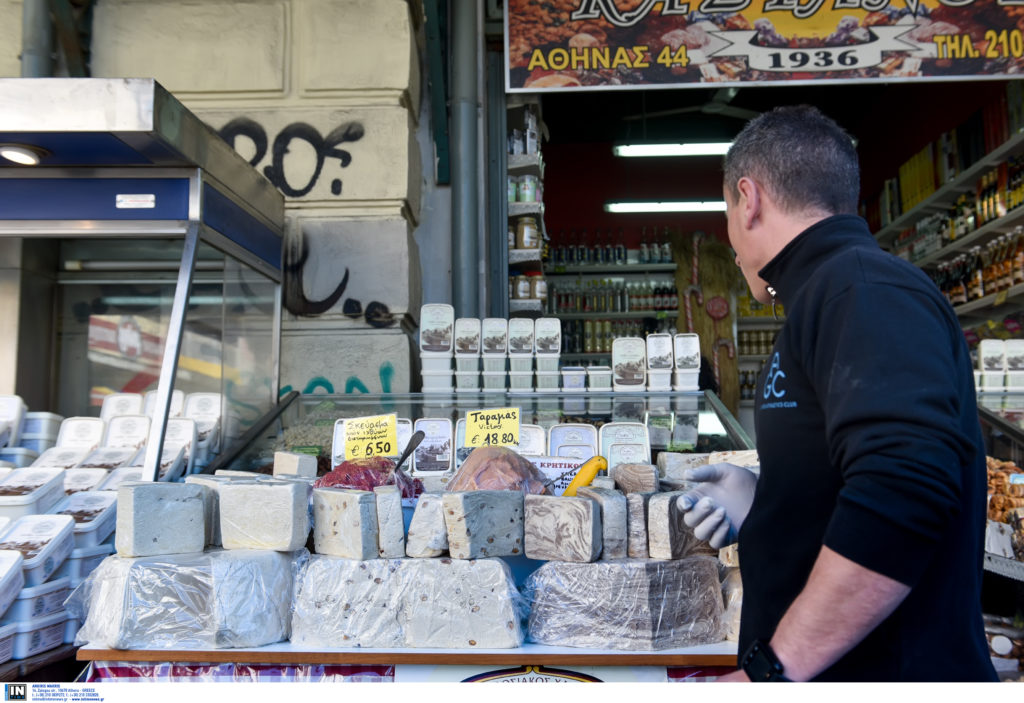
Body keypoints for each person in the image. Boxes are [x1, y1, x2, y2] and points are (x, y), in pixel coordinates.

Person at [678, 105, 997, 682]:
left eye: (726, 208)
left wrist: (773, 674)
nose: (730, 230)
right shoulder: (827, 295)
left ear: (748, 199)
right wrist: (768, 504)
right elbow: (849, 480)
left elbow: (904, 489)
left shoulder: (863, 290)